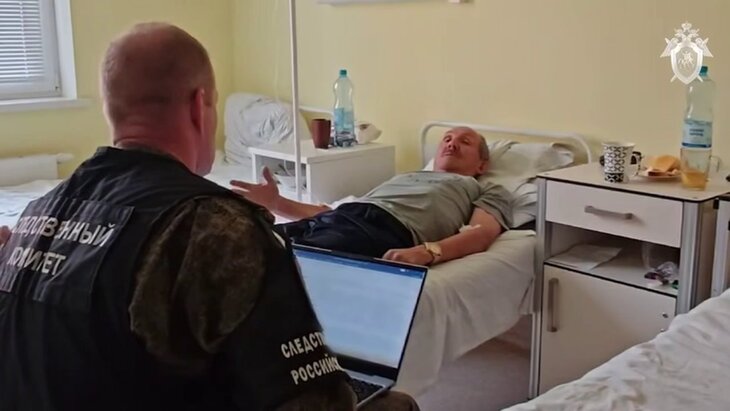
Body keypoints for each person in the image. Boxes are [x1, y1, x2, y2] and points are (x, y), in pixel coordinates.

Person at [0, 23, 418, 411]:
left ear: (110, 107)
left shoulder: (39, 213)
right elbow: (314, 401)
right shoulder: (215, 226)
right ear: (199, 107)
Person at [232, 127, 512, 266]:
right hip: (343, 217)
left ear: (482, 165)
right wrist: (275, 203)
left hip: (385, 228)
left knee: (286, 264)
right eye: (447, 139)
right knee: (243, 244)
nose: (452, 144)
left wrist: (428, 251)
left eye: (465, 142)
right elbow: (333, 212)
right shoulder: (406, 176)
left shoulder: (486, 189)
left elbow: (481, 234)